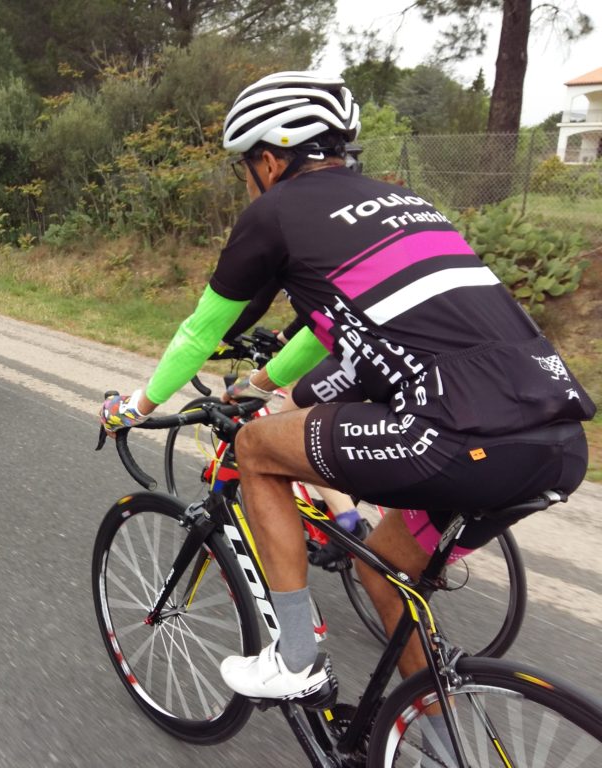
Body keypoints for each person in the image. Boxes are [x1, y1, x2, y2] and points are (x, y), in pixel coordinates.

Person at [100, 70, 594, 702]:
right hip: (555, 440)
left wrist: (134, 408)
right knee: (381, 572)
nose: (248, 181)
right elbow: (333, 330)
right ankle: (434, 730)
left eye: (245, 166)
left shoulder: (275, 213)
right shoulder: (404, 203)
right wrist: (259, 382)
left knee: (254, 449)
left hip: (450, 431)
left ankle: (297, 657)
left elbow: (201, 332)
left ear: (271, 160)